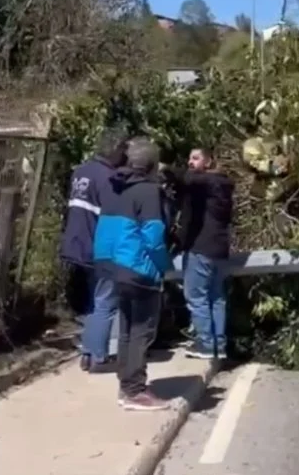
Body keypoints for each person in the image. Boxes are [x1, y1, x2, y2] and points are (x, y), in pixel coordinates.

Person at [93, 137, 174, 411]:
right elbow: (154, 237)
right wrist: (164, 266)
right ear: (151, 165)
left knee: (127, 330)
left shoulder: (114, 187)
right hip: (140, 268)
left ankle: (126, 386)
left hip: (114, 267)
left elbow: (106, 228)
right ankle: (135, 391)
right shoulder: (149, 191)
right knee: (142, 332)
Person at [60, 130, 128, 373]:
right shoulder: (109, 178)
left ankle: (88, 353)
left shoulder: (81, 172)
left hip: (77, 244)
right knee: (105, 303)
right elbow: (113, 216)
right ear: (116, 151)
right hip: (99, 247)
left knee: (93, 302)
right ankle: (99, 357)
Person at [178, 147, 235, 360]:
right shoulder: (223, 184)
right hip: (220, 249)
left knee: (196, 296)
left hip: (201, 247)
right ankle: (219, 344)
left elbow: (186, 179)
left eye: (195, 158)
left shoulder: (205, 183)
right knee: (216, 298)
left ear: (209, 162)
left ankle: (205, 343)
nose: (190, 162)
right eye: (189, 158)